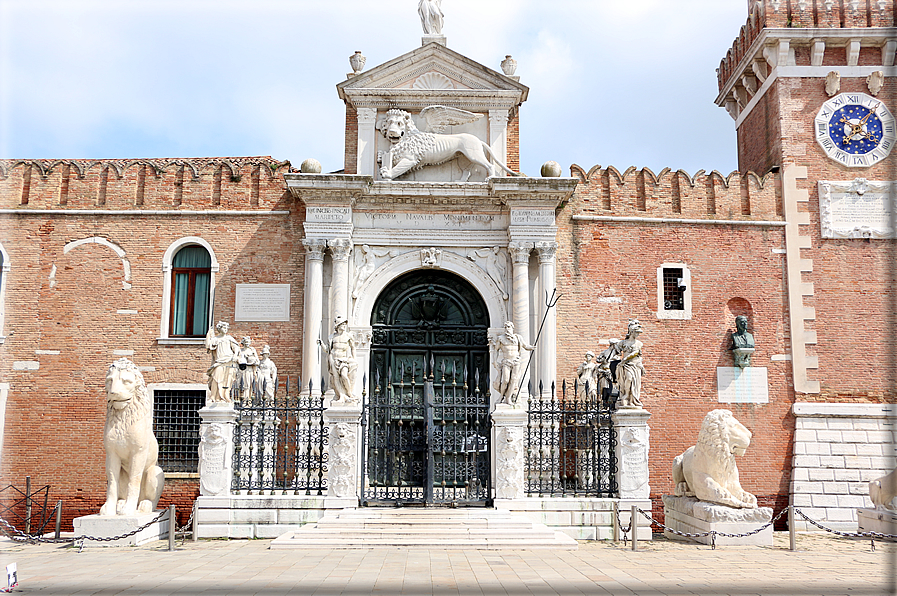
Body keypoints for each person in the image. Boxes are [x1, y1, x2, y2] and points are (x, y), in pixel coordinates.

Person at [492, 321, 535, 405]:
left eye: (509, 327)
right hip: (506, 362)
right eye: (506, 327)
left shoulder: (518, 338)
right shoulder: (500, 338)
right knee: (505, 380)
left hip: (516, 362)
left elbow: (525, 346)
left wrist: (531, 347)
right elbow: (496, 350)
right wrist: (494, 361)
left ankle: (508, 398)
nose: (507, 329)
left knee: (514, 381)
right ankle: (501, 396)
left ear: (512, 328)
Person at [318, 317, 358, 403]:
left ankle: (349, 393)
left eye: (344, 324)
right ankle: (340, 395)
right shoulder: (332, 337)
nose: (344, 326)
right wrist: (321, 344)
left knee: (344, 375)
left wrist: (354, 359)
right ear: (338, 326)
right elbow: (327, 350)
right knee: (335, 378)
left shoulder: (348, 336)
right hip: (333, 358)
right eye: (342, 324)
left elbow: (353, 348)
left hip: (343, 359)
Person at [205, 322, 239, 404]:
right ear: (219, 329)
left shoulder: (229, 338)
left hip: (229, 360)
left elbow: (236, 348)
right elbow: (208, 346)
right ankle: (213, 396)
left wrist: (235, 355)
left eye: (226, 328)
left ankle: (225, 396)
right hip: (219, 361)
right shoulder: (215, 339)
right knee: (215, 378)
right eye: (224, 328)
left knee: (227, 380)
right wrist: (208, 336)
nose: (225, 329)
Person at [615, 320, 645, 409]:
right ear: (631, 332)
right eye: (636, 332)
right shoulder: (623, 343)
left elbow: (635, 353)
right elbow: (615, 350)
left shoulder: (639, 343)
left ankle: (632, 399)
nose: (637, 334)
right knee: (628, 379)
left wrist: (624, 359)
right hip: (626, 366)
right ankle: (626, 396)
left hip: (635, 365)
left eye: (638, 333)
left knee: (634, 383)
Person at [237, 336, 260, 402]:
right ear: (243, 343)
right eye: (245, 342)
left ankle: (247, 400)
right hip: (241, 370)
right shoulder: (240, 351)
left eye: (248, 342)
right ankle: (241, 400)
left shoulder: (252, 350)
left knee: (248, 385)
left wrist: (251, 362)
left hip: (249, 370)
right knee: (241, 385)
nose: (247, 343)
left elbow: (257, 362)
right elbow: (237, 360)